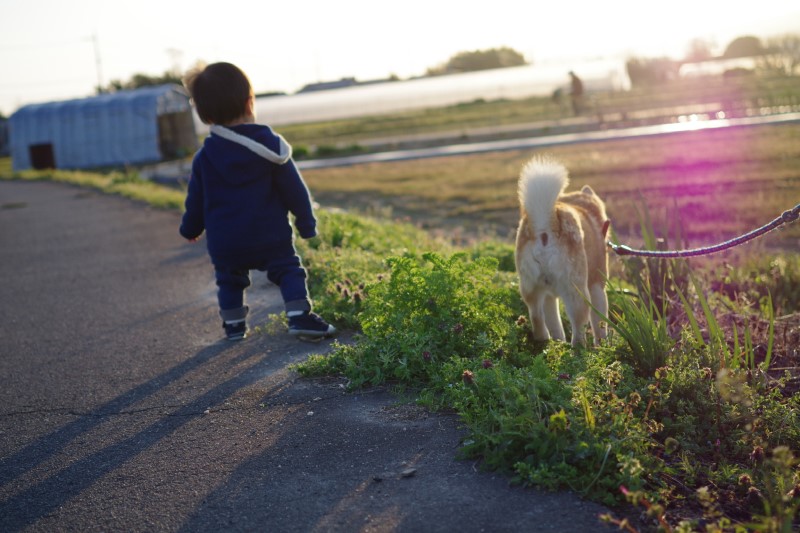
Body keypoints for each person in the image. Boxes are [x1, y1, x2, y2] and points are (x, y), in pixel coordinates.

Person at [180, 62, 335, 341]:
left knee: (229, 279)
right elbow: (294, 190)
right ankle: (300, 316)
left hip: (226, 242)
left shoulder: (204, 157)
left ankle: (234, 326)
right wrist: (306, 223)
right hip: (269, 235)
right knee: (288, 270)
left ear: (203, 114)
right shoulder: (269, 147)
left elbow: (196, 200)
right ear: (250, 101)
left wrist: (190, 229)